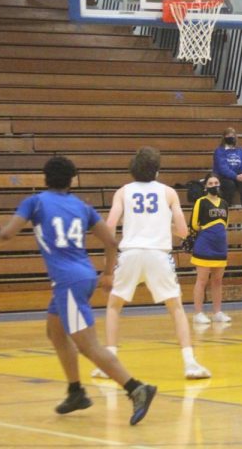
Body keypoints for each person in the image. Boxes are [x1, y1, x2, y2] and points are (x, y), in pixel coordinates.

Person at [0, 156, 157, 424]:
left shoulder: (35, 202)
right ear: (72, 180)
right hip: (81, 275)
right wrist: (108, 272)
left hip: (68, 281)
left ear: (45, 178)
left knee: (88, 346)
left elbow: (9, 233)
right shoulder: (81, 206)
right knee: (55, 331)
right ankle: (76, 391)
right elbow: (111, 241)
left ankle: (136, 388)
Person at [91, 146, 210, 380]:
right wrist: (163, 226)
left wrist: (109, 258)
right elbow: (185, 231)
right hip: (158, 254)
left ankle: (109, 363)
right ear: (157, 170)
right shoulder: (168, 193)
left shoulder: (123, 191)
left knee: (114, 306)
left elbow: (110, 225)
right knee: (175, 308)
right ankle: (190, 363)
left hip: (130, 253)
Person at [190, 173, 232, 324]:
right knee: (201, 280)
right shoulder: (201, 202)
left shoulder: (225, 203)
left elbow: (226, 223)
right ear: (206, 186)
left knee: (218, 280)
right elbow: (194, 224)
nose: (214, 185)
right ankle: (198, 313)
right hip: (204, 245)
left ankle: (217, 312)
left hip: (220, 247)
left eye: (216, 182)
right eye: (211, 183)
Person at [213, 128, 242, 207]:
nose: (231, 137)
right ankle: (227, 205)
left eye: (233, 135)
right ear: (224, 137)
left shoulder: (239, 150)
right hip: (223, 177)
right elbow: (223, 168)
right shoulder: (219, 151)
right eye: (228, 135)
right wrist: (236, 176)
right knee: (230, 184)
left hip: (238, 175)